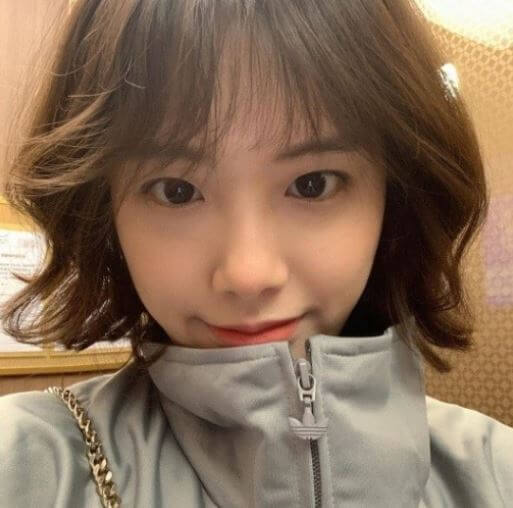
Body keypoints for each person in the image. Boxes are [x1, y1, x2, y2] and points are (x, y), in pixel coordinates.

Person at [0, 0, 511, 506]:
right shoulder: (32, 465)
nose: (248, 273)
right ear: (103, 211)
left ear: (395, 198)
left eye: (312, 184)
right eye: (176, 191)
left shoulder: (495, 470)